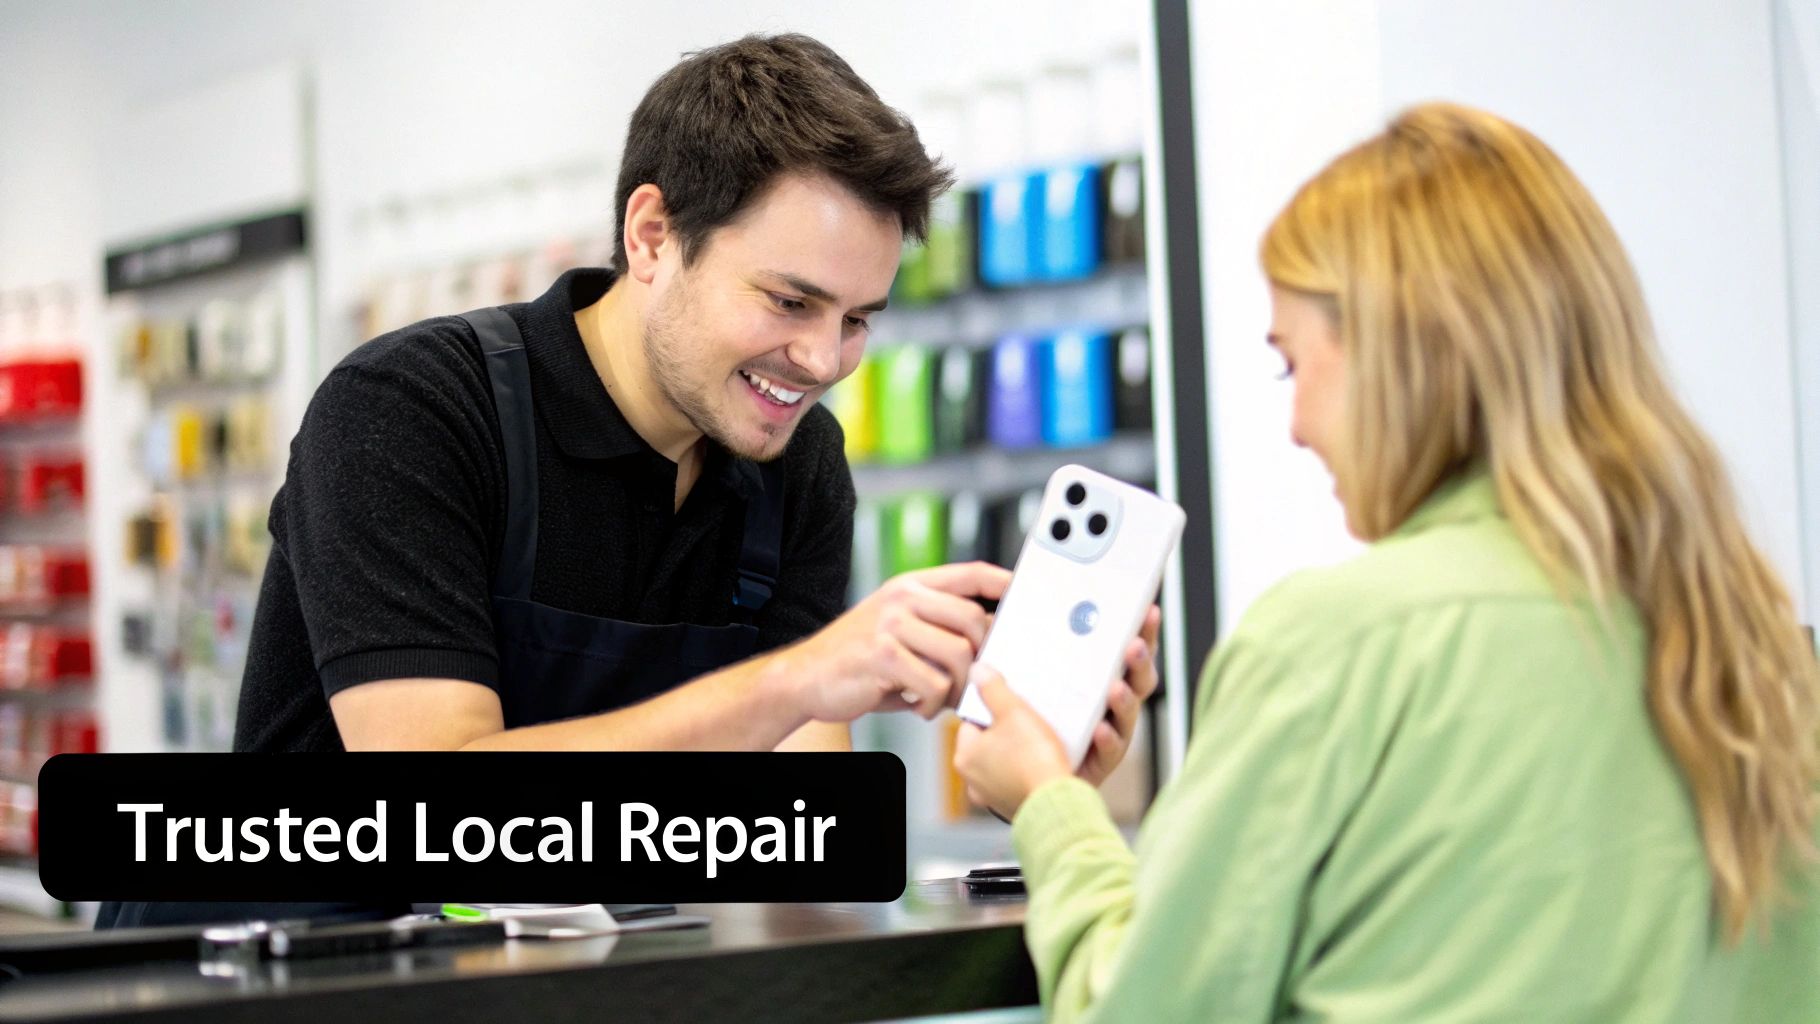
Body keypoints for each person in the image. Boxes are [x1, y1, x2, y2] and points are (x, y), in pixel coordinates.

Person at [94, 33, 1157, 929]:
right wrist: (799, 679)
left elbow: (805, 840)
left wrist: (1030, 772)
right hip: (273, 975)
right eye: (790, 302)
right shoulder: (410, 410)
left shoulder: (795, 465)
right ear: (652, 236)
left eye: (857, 320)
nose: (824, 359)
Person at [955, 102, 1820, 1021]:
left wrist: (1049, 802)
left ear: (1395, 355)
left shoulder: (1335, 644)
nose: (1296, 427)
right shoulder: (1750, 645)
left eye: (1293, 366)